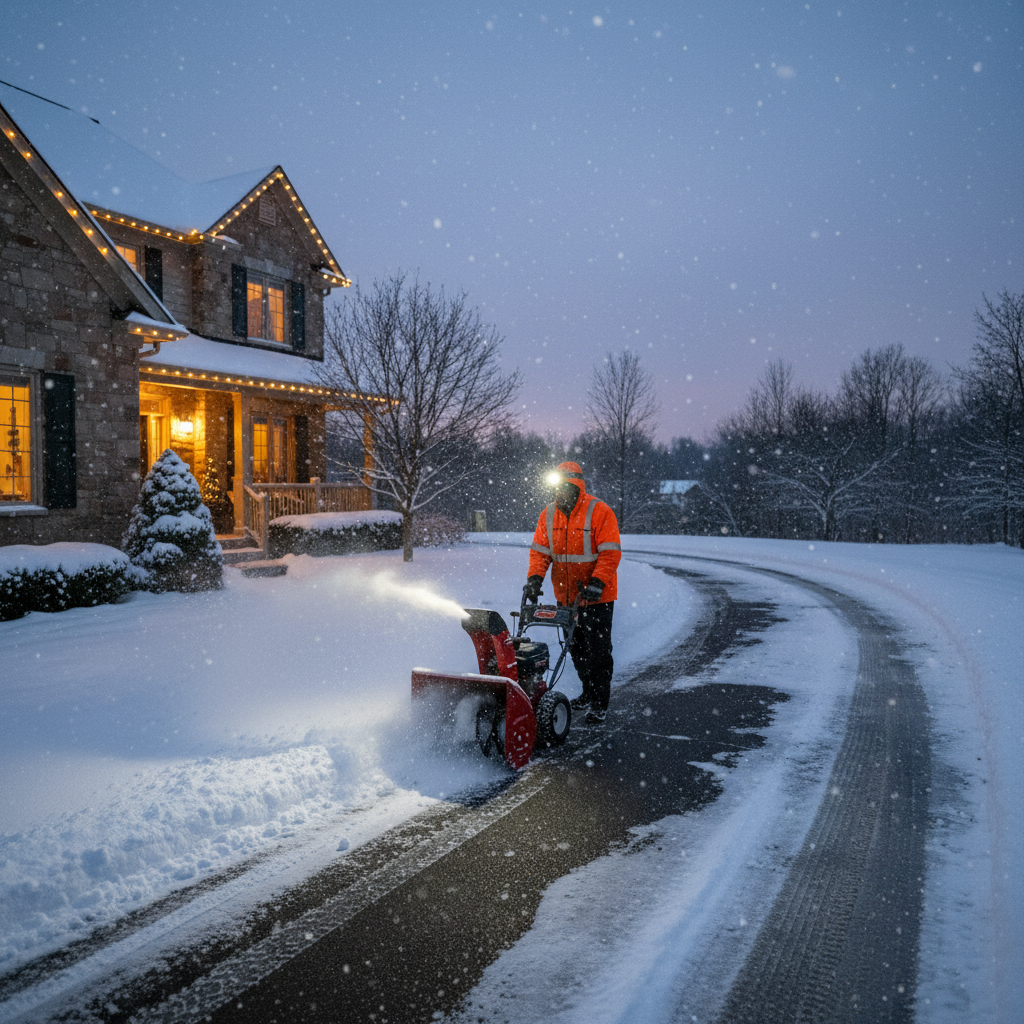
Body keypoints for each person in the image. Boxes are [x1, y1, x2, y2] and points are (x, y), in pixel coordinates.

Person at [524, 461, 621, 724]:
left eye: (565, 488)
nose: (560, 494)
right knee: (575, 649)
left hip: (597, 599)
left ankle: (600, 702)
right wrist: (534, 579)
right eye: (556, 489)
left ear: (575, 485)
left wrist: (598, 582)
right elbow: (541, 552)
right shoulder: (549, 514)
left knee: (599, 652)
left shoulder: (599, 511)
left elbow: (610, 552)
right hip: (567, 599)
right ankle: (588, 692)